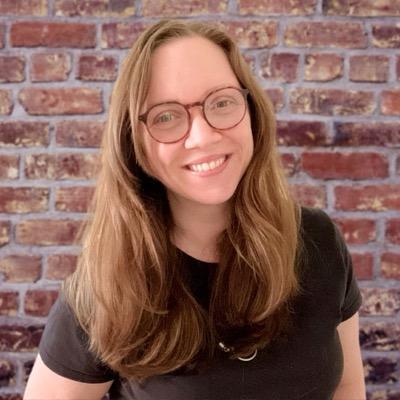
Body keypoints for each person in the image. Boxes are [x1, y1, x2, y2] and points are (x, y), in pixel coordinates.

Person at [24, 19, 366, 400]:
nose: (203, 137)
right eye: (166, 116)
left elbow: (348, 386)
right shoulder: (107, 287)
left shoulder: (320, 241)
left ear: (251, 111)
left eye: (221, 102)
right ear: (133, 142)